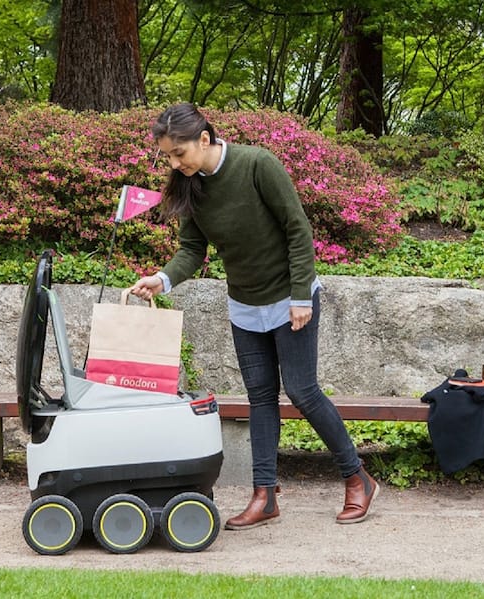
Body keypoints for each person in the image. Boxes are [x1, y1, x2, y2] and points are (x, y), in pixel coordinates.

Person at [130, 102, 380, 529]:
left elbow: (297, 228)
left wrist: (301, 296)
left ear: (204, 139)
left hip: (289, 298)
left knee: (302, 391)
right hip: (244, 304)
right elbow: (192, 250)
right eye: (167, 156)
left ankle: (357, 478)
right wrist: (162, 279)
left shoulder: (257, 164)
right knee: (260, 397)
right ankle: (264, 496)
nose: (173, 164)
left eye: (178, 153)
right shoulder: (191, 186)